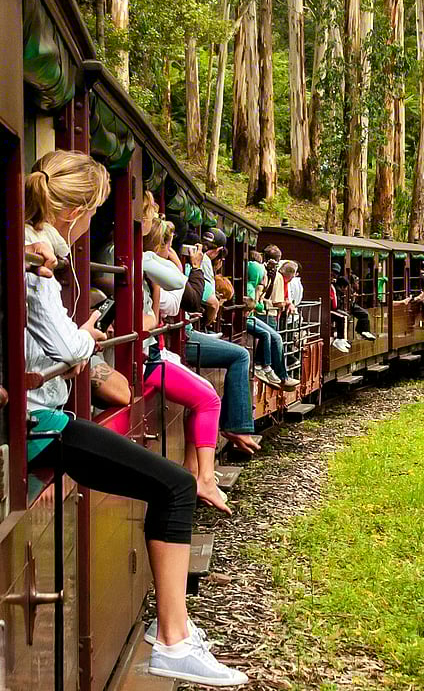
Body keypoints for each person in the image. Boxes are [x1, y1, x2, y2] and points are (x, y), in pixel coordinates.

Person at [23, 150, 248, 686]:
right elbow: (63, 345)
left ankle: (174, 631)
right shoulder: (38, 268)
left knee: (169, 485)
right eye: (92, 211)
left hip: (43, 419)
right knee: (173, 485)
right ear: (74, 211)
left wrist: (78, 340)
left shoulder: (34, 257)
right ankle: (172, 640)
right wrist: (86, 338)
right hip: (41, 425)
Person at [141, 213, 231, 515]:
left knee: (204, 394)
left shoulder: (144, 263)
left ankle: (195, 471)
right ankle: (203, 477)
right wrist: (187, 267)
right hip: (144, 360)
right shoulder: (146, 262)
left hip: (151, 354)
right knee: (208, 399)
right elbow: (190, 297)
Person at [244, 250, 293, 388]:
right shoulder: (251, 286)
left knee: (276, 337)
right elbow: (257, 304)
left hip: (253, 316)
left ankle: (278, 373)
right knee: (269, 336)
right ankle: (265, 367)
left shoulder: (260, 282)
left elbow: (260, 299)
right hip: (251, 317)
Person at [333, 262, 377, 340]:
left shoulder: (343, 286)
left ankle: (363, 331)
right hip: (342, 306)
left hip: (349, 304)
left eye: (336, 273)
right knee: (346, 317)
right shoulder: (337, 286)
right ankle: (342, 338)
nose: (334, 274)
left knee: (365, 314)